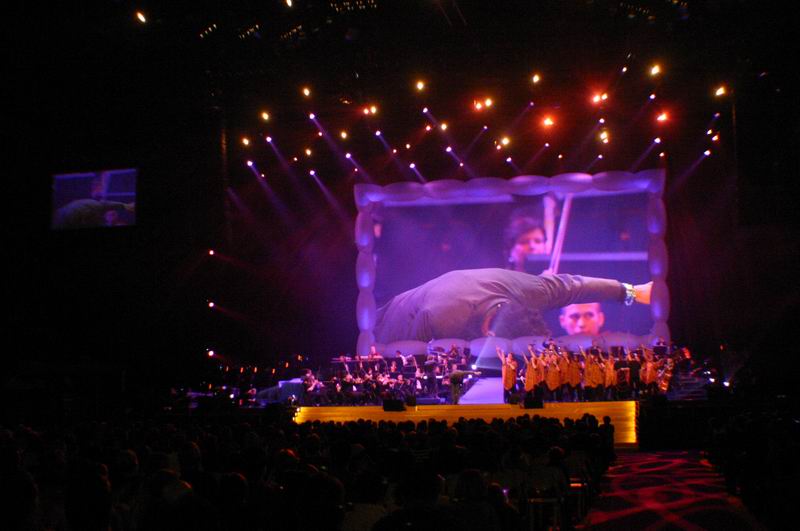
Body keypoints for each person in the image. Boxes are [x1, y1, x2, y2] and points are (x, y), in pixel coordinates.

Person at [373, 268, 651, 343]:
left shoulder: (531, 292)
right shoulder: (444, 321)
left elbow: (574, 286)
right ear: (490, 334)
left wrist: (632, 292)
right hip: (390, 323)